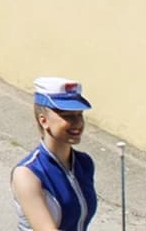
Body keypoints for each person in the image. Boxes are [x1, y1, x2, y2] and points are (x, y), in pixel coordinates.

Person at [11, 79, 94, 231]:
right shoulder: (28, 173)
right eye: (67, 116)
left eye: (79, 114)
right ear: (44, 121)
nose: (77, 123)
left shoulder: (84, 163)